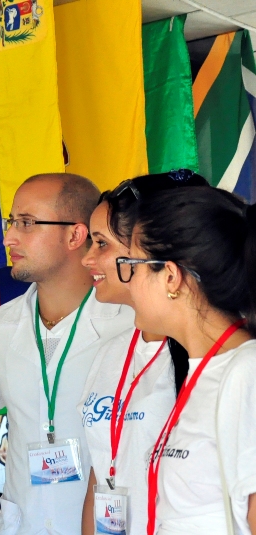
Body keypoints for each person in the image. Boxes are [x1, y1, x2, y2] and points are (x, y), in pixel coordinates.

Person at [0, 173, 135, 535]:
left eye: (27, 223)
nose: (8, 237)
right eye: (11, 222)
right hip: (22, 525)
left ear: (75, 235)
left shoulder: (133, 323)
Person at [78, 171, 208, 535]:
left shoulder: (219, 361)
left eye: (102, 244)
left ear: (149, 250)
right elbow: (100, 471)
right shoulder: (110, 354)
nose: (88, 259)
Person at [125, 186, 256, 534]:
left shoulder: (246, 371)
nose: (128, 284)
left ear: (170, 276)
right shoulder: (205, 369)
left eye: (132, 266)